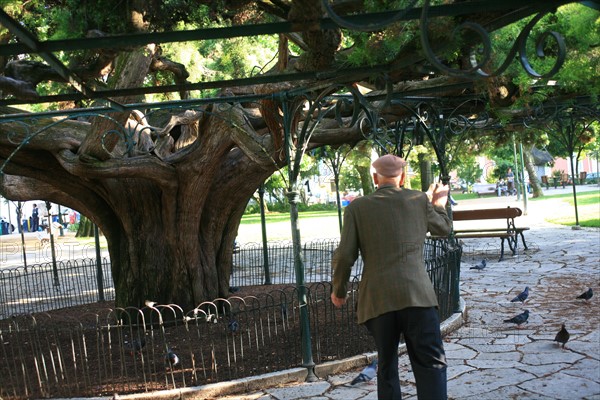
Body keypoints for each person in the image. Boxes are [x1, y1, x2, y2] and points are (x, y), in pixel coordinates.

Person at [331, 154, 452, 400]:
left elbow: (345, 255)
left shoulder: (357, 207)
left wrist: (339, 291)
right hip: (417, 296)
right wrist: (439, 203)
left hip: (378, 300)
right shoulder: (418, 199)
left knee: (386, 365)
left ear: (375, 178)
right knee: (431, 363)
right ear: (403, 177)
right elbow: (444, 229)